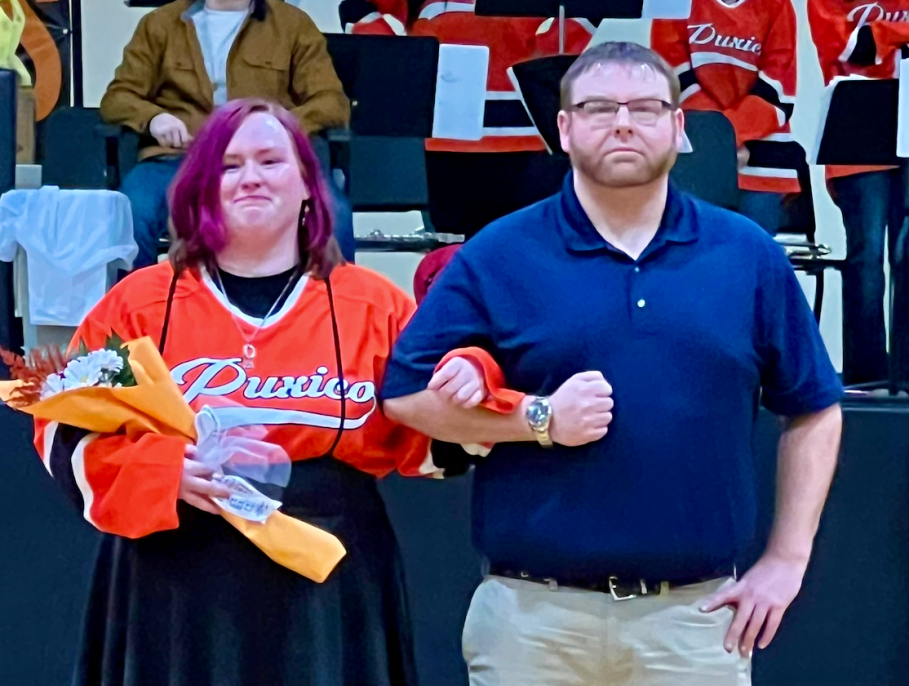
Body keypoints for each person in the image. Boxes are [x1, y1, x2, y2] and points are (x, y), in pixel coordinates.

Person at [381, 42, 844, 686]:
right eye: (598, 108)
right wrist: (537, 419)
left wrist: (788, 558)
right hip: (531, 620)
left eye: (646, 108)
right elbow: (403, 395)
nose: (623, 122)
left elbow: (815, 408)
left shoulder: (748, 255)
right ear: (565, 129)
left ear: (679, 128)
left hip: (694, 621)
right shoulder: (500, 252)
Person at [35, 99, 486, 686]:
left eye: (270, 160)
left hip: (328, 580)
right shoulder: (140, 302)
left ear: (307, 184)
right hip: (172, 578)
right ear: (199, 188)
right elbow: (61, 426)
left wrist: (473, 376)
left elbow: (432, 435)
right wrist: (156, 471)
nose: (250, 177)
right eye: (228, 165)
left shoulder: (373, 304)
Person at [100, 0, 356, 269]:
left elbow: (331, 102)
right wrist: (154, 119)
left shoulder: (293, 25)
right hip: (179, 159)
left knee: (333, 213)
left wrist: (278, 129)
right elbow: (118, 97)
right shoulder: (159, 24)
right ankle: (133, 307)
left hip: (267, 161)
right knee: (131, 211)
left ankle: (338, 307)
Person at [343, 0, 594, 239]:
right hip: (447, 141)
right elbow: (357, 7)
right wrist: (403, 61)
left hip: (529, 141)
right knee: (454, 258)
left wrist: (548, 54)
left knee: (531, 253)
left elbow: (581, 16)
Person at [807, 0, 909, 385]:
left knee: (908, 256)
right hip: (860, 134)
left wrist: (883, 35)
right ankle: (866, 377)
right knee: (866, 258)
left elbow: (871, 42)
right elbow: (851, 48)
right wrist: (894, 35)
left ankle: (904, 374)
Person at [651, 0, 801, 235]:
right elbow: (673, 76)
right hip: (699, 157)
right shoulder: (676, 4)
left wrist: (727, 141)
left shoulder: (778, 5)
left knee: (754, 262)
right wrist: (720, 145)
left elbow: (779, 88)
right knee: (698, 261)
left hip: (762, 160)